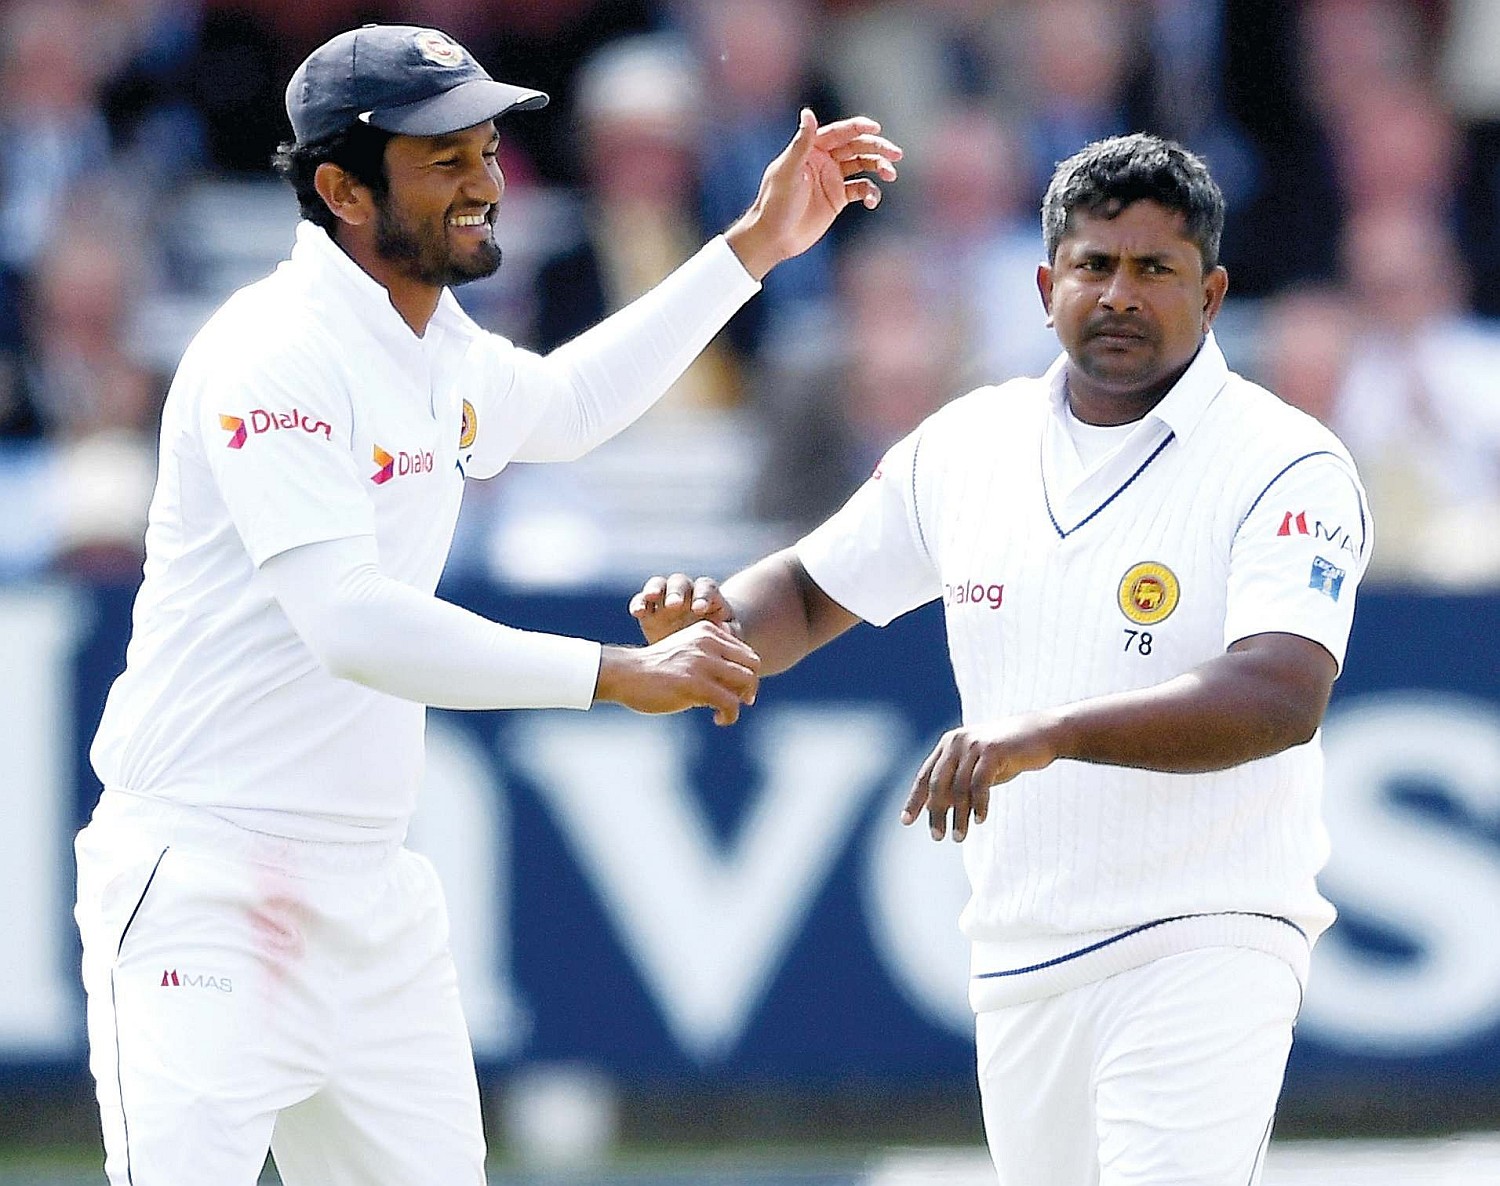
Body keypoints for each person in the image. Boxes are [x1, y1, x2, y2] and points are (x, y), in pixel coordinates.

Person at [73, 22, 900, 1186]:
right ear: (341, 191)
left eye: (486, 150)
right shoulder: (272, 350)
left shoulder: (432, 336)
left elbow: (565, 408)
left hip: (372, 894)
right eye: (444, 159)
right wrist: (615, 673)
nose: (486, 183)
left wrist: (754, 246)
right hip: (206, 880)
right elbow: (350, 622)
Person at [634, 133, 1371, 1186]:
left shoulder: (1284, 459)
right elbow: (803, 590)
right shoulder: (968, 445)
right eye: (1094, 265)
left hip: (1208, 934)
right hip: (1021, 944)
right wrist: (716, 622)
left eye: (1155, 269)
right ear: (1044, 286)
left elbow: (1280, 693)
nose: (1119, 295)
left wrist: (1051, 733)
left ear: (1211, 295)